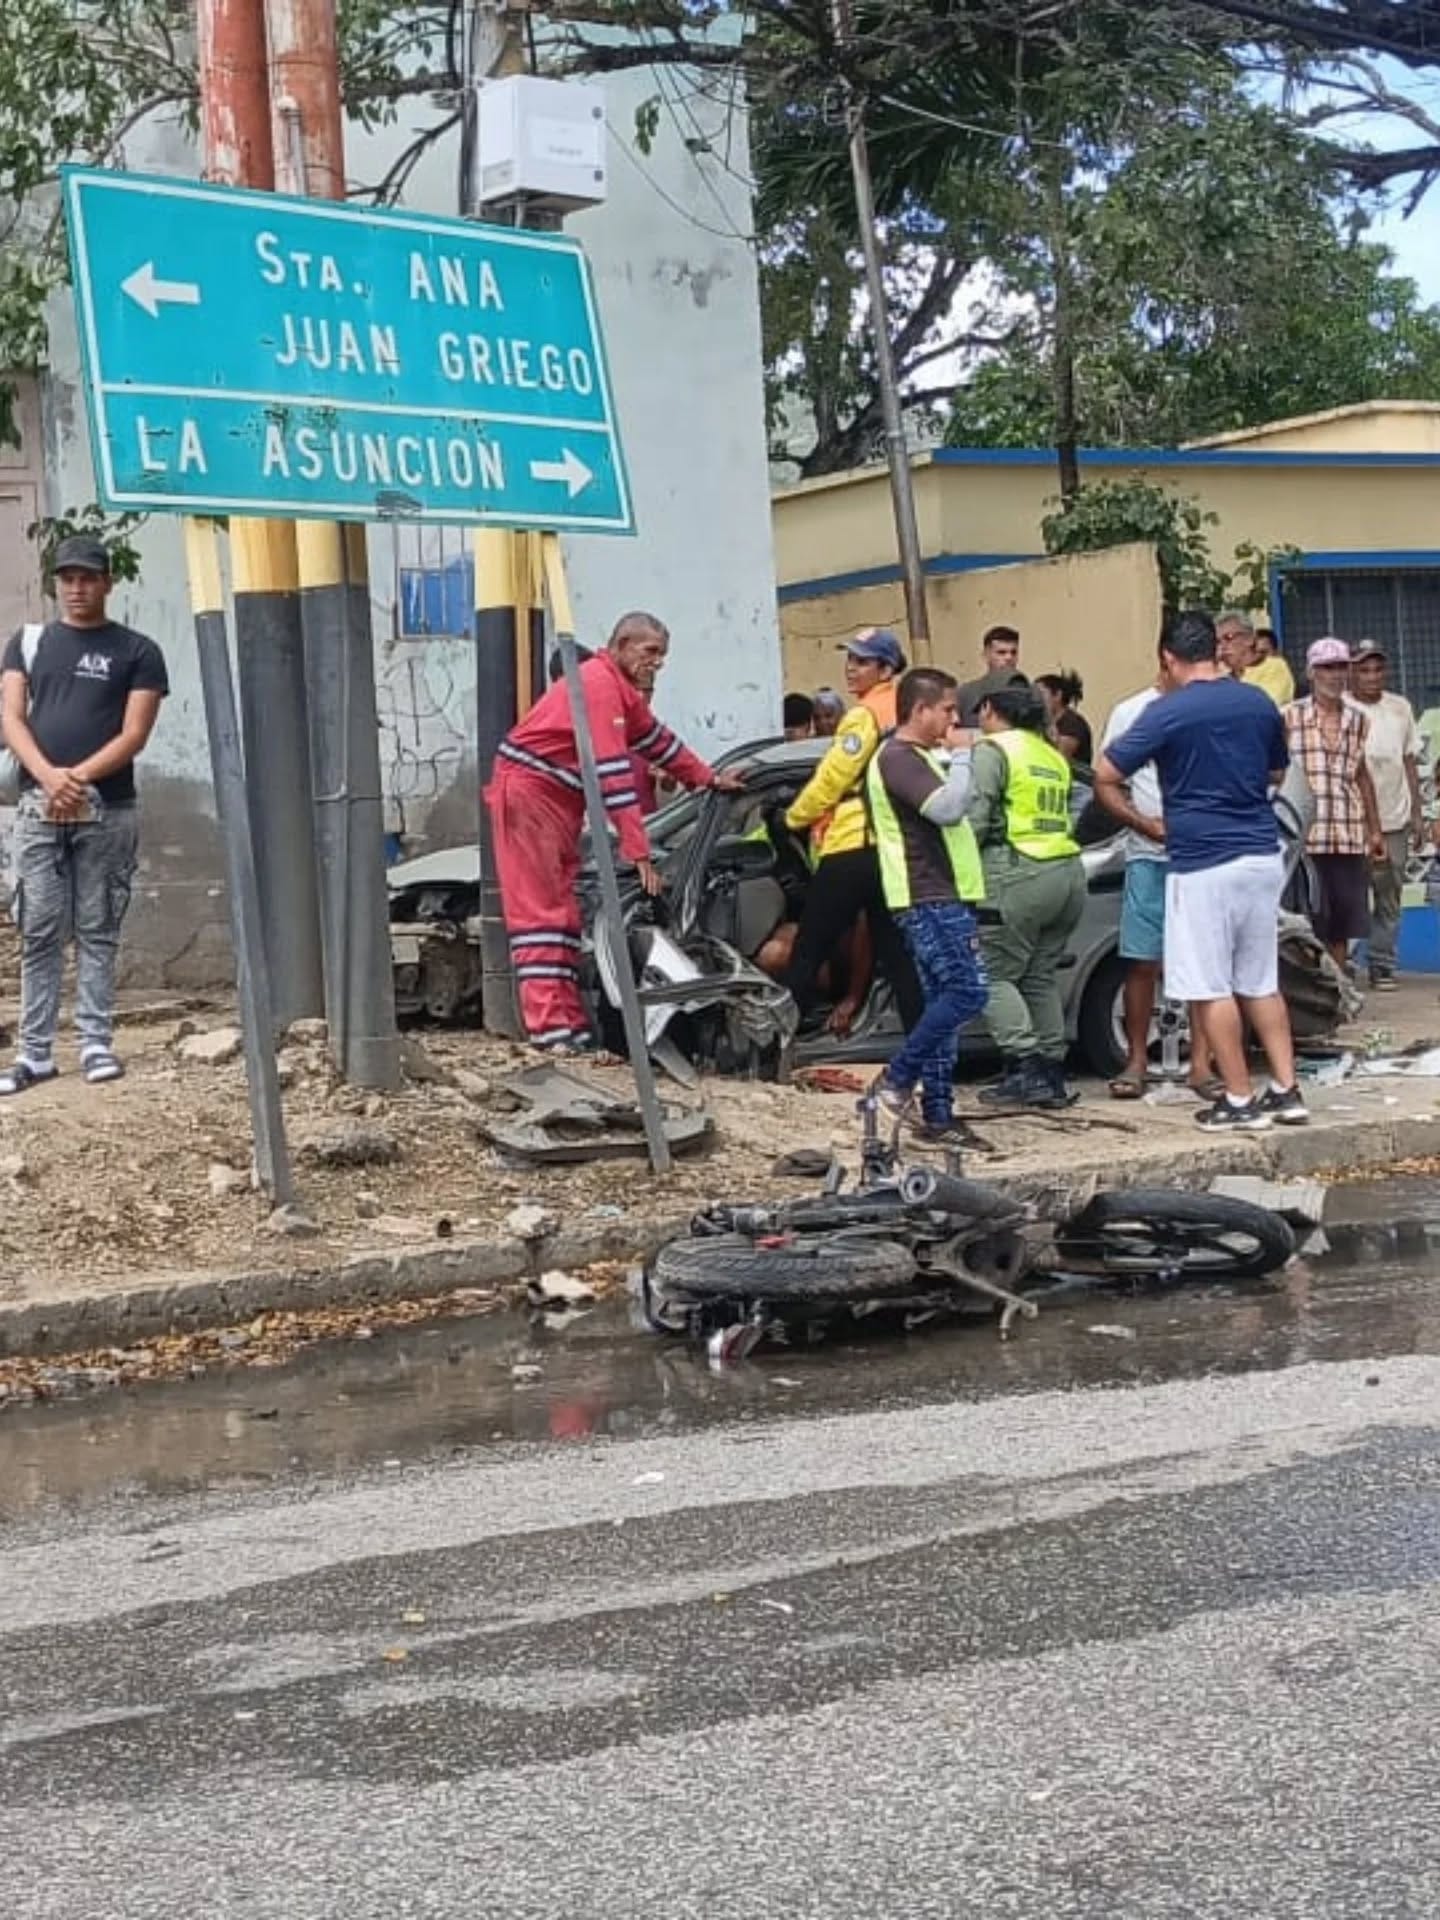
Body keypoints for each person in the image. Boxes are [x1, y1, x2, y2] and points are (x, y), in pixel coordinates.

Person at [490, 611, 742, 1051]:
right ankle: (549, 1029)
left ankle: (566, 1024)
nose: (657, 663)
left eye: (662, 655)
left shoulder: (619, 692)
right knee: (541, 918)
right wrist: (638, 850)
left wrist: (705, 778)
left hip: (554, 802)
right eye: (650, 652)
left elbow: (657, 741)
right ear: (622, 644)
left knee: (562, 917)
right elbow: (613, 774)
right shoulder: (600, 687)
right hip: (533, 797)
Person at [1096, 608, 1307, 1133]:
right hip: (1261, 856)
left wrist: (1145, 823)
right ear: (1215, 649)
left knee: (1210, 985)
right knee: (1260, 980)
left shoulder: (1168, 712)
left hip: (1201, 862)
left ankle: (1238, 1098)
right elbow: (1278, 771)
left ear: (1168, 658)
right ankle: (1286, 1089)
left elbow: (1105, 773)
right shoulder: (1257, 700)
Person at [0, 535, 168, 1094]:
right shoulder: (27, 643)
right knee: (39, 930)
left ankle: (96, 1044)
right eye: (68, 578)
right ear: (55, 582)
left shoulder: (137, 651)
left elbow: (134, 734)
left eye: (88, 577)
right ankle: (36, 1054)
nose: (77, 588)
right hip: (38, 807)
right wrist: (50, 778)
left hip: (108, 808)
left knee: (98, 930)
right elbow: (12, 719)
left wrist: (77, 779)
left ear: (107, 582)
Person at [867, 668, 989, 1149]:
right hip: (927, 895)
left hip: (942, 892)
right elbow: (946, 809)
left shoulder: (917, 756)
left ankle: (939, 1113)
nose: (954, 719)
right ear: (919, 710)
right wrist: (962, 758)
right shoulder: (898, 758)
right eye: (946, 709)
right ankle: (896, 1082)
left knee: (945, 1000)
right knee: (968, 991)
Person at [780, 628, 920, 1033]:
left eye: (862, 661)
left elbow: (832, 778)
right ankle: (924, 1051)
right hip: (894, 847)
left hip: (854, 844)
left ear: (886, 668)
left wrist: (792, 818)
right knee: (897, 958)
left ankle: (780, 1044)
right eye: (850, 659)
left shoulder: (864, 715)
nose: (851, 669)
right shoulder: (907, 707)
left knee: (809, 947)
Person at [1097, 666, 1219, 1103]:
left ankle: (1203, 1065)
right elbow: (1107, 781)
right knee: (1141, 960)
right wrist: (1143, 824)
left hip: (1202, 856)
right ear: (1167, 661)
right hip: (1148, 857)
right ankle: (1136, 1061)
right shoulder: (1130, 712)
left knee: (1204, 966)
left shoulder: (1209, 710)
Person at [965, 685, 1087, 1109]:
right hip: (1067, 873)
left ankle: (1024, 1067)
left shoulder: (994, 749)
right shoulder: (1051, 754)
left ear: (990, 711)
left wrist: (955, 866)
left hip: (1015, 872)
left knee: (992, 974)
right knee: (1038, 976)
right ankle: (1051, 1071)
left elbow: (977, 814)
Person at [1284, 637, 1384, 972]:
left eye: (1341, 667)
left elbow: (1360, 775)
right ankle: (1308, 997)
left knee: (1342, 926)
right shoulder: (1288, 717)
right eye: (1327, 668)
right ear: (1311, 672)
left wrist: (1375, 830)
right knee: (1306, 924)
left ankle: (1338, 996)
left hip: (1345, 834)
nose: (1334, 675)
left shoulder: (1358, 721)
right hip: (1303, 838)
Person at [1347, 638, 1429, 991]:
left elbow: (1409, 759)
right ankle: (1345, 965)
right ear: (1352, 672)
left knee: (1389, 894)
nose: (1372, 676)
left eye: (1378, 669)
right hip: (1353, 819)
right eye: (1364, 669)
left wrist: (1417, 812)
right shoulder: (1344, 708)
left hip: (1395, 816)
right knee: (1351, 893)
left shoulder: (1400, 708)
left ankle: (1382, 964)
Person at [1217, 609, 1294, 706]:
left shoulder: (1274, 666)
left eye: (1229, 638)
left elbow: (1265, 703)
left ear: (1249, 639)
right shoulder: (1223, 675)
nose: (1222, 646)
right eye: (1218, 641)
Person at [957, 625, 1028, 727]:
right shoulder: (966, 693)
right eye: (1001, 652)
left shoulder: (1030, 693)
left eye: (1013, 652)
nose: (1009, 657)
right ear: (985, 655)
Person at [1034, 671, 1093, 764]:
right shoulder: (1041, 721)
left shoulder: (1073, 723)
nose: (1035, 699)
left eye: (1041, 694)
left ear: (1058, 695)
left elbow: (1059, 759)